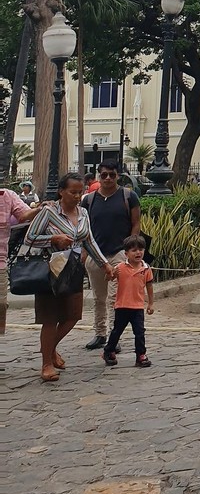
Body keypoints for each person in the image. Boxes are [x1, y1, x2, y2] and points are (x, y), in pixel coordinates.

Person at [22, 172, 116, 382]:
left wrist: (105, 264)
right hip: (51, 269)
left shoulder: (83, 212)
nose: (76, 196)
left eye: (79, 192)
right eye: (72, 192)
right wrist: (53, 238)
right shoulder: (48, 211)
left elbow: (89, 242)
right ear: (61, 192)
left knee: (73, 315)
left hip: (73, 268)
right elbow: (30, 238)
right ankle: (46, 363)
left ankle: (50, 349)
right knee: (50, 318)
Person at [81, 163, 141, 351]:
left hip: (119, 253)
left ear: (118, 176)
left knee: (114, 297)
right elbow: (83, 228)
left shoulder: (128, 196)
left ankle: (114, 338)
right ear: (99, 176)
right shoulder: (89, 200)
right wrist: (84, 252)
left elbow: (136, 223)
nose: (108, 178)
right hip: (96, 253)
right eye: (104, 175)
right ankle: (100, 333)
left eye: (112, 175)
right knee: (99, 297)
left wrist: (131, 250)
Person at [102, 235, 154, 368]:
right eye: (134, 250)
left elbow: (149, 286)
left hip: (137, 307)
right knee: (117, 331)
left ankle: (141, 355)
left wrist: (151, 303)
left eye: (141, 249)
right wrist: (109, 273)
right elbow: (109, 278)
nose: (138, 253)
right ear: (126, 254)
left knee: (140, 332)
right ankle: (109, 351)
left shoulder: (146, 269)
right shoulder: (120, 267)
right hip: (122, 306)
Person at [0, 186, 42, 337]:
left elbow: (24, 215)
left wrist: (40, 209)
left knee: (1, 304)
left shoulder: (7, 196)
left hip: (1, 263)